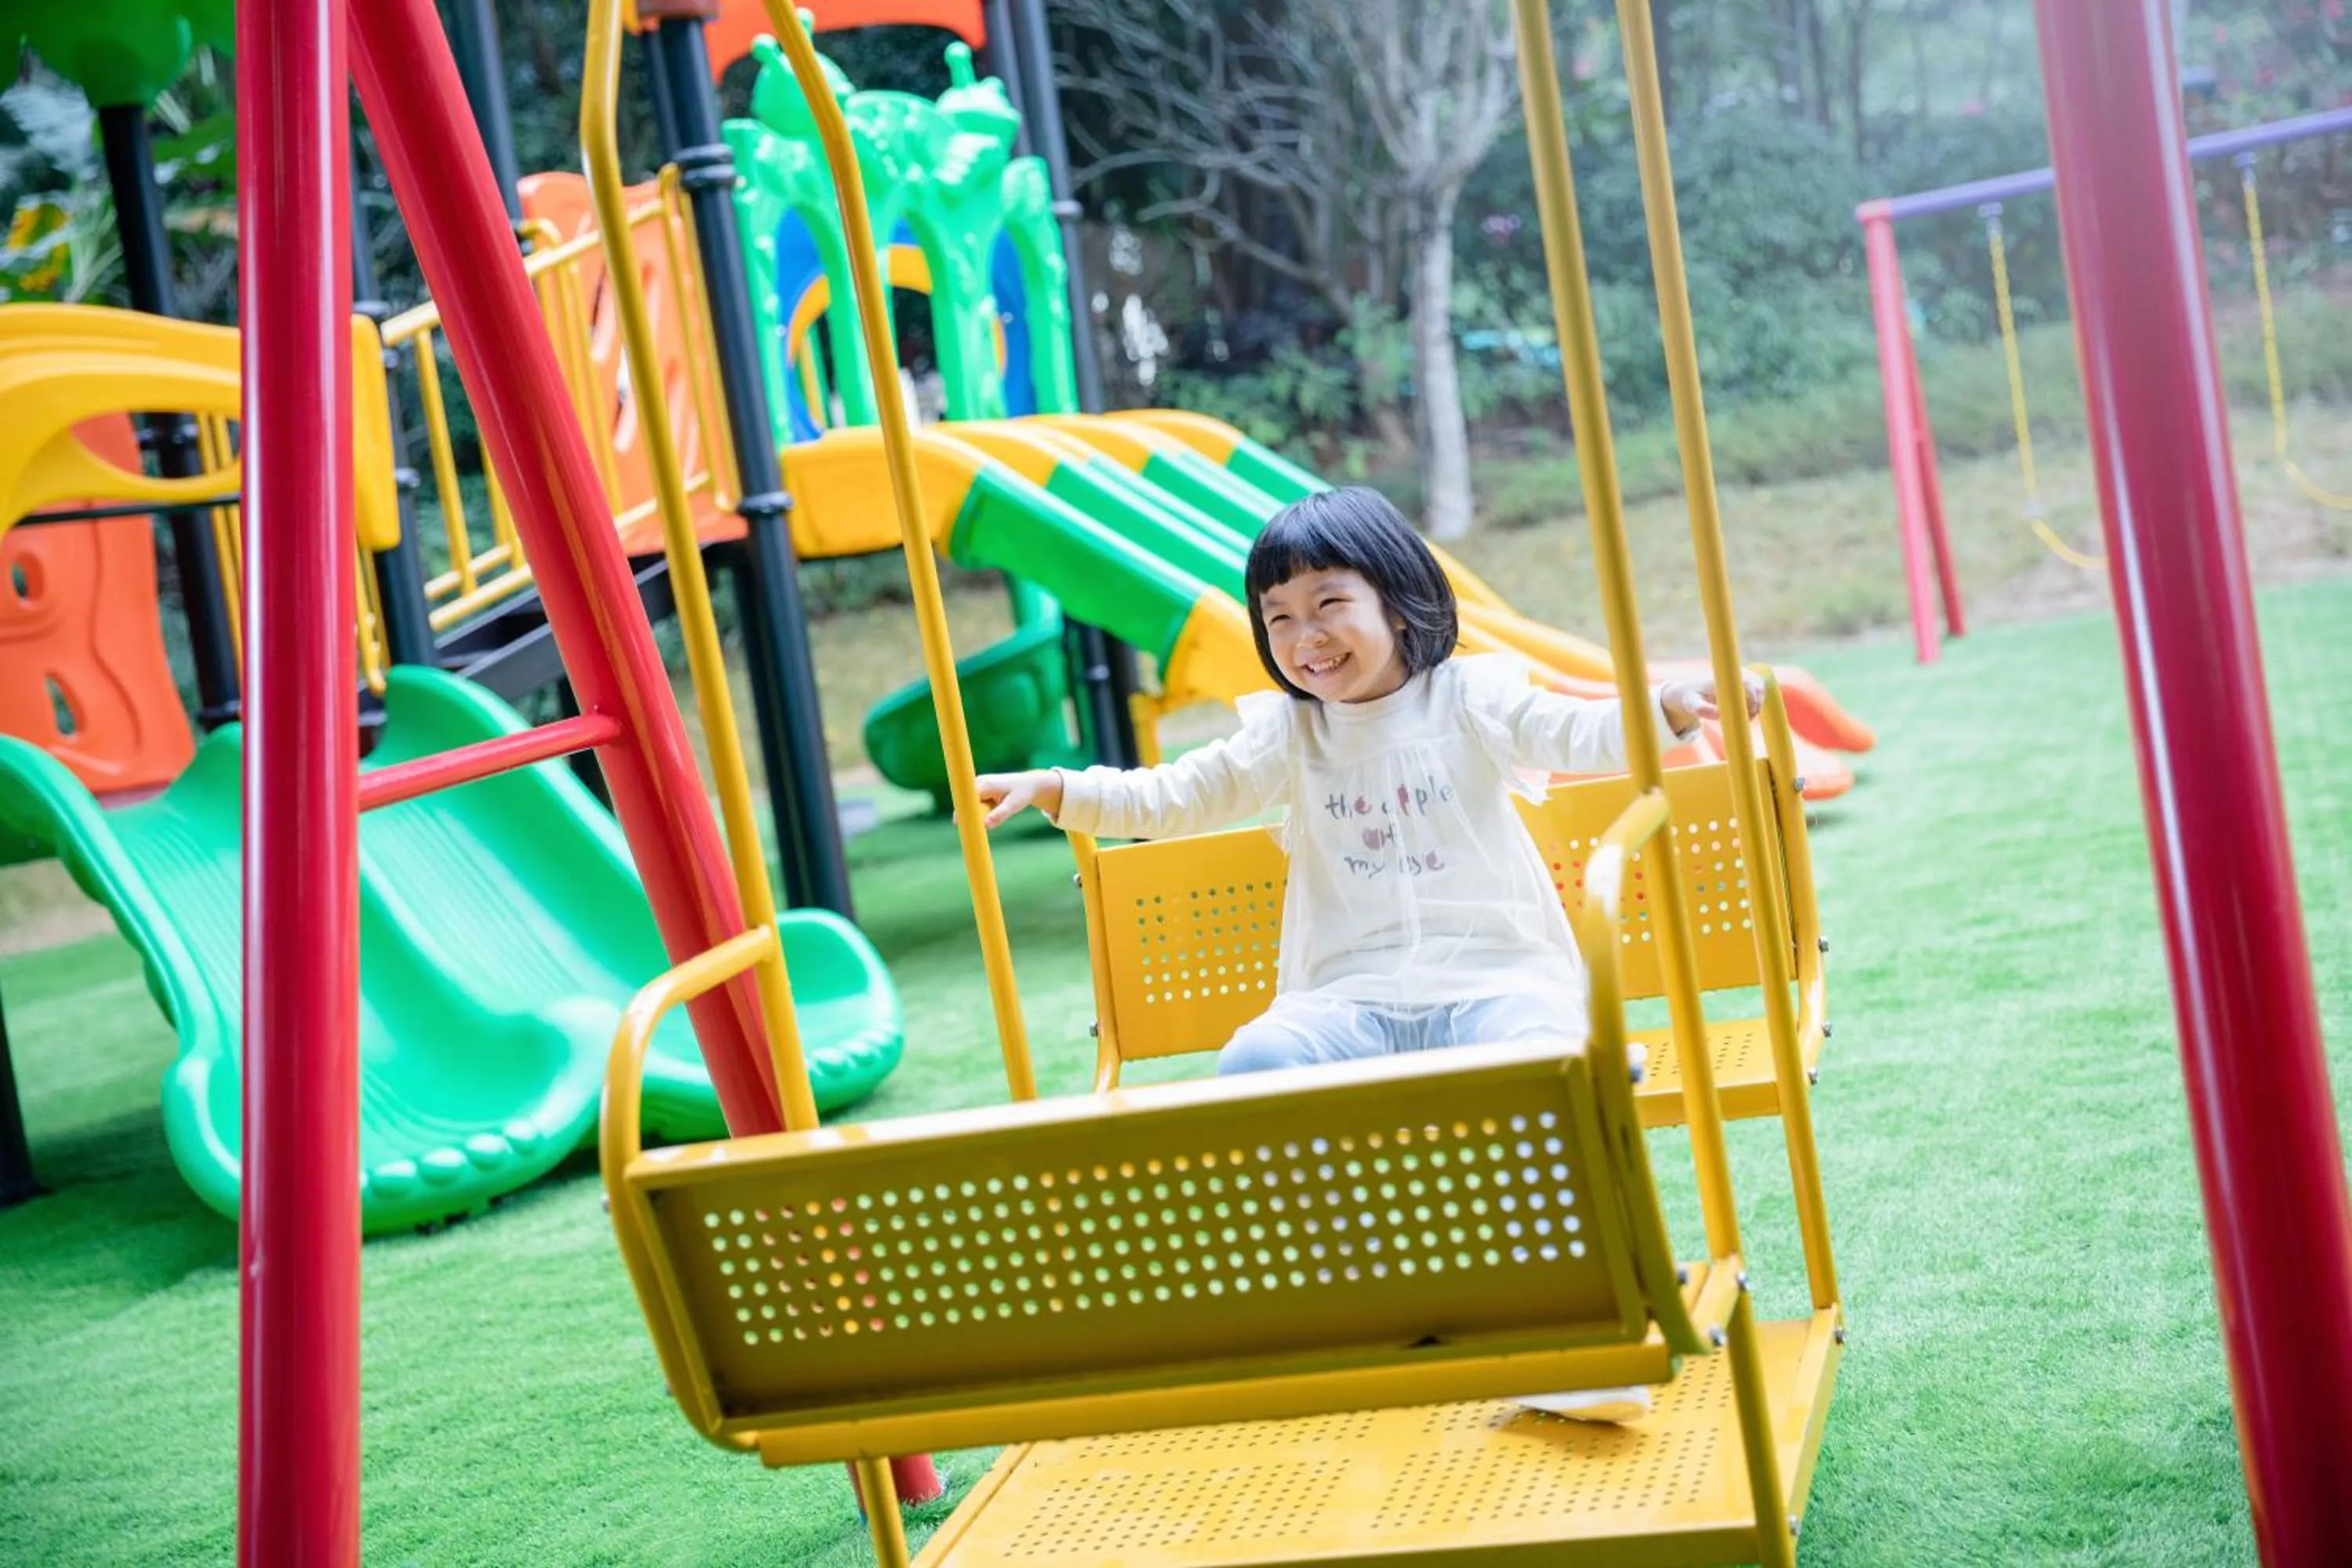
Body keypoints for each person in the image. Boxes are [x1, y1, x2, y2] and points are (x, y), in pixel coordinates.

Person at [977, 486, 1759, 1424]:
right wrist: (1061, 786)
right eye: (1279, 617)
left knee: (1536, 1055)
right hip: (1347, 998)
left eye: (1328, 604)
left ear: (1397, 598)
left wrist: (1666, 704)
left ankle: (1580, 1324)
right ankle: (1363, 1294)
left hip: (1494, 976)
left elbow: (1581, 731)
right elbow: (1176, 793)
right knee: (1256, 1060)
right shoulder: (1288, 731)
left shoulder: (1472, 696)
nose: (1306, 636)